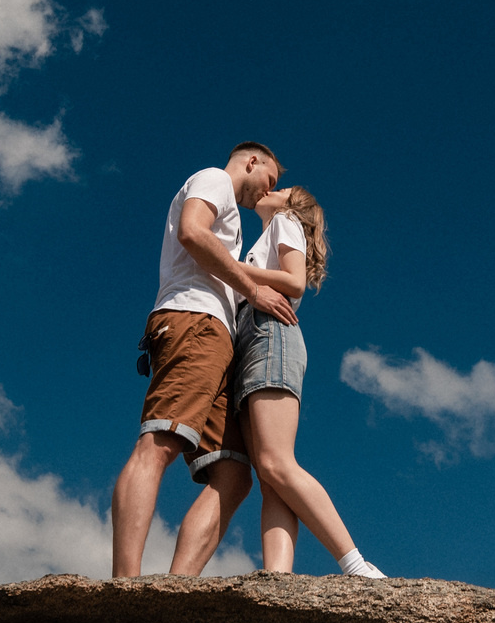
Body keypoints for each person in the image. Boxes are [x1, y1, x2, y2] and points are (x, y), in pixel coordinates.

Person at [176, 183, 385, 578]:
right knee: (269, 477)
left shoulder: (285, 221)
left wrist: (229, 266)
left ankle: (356, 564)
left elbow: (293, 282)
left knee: (276, 462)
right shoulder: (271, 231)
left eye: (284, 187)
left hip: (269, 331)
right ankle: (278, 577)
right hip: (251, 336)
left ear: (294, 203)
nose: (273, 188)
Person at [110, 142, 295, 577]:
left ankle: (177, 586)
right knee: (160, 443)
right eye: (270, 180)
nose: (267, 191)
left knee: (234, 476)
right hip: (194, 320)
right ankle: (125, 583)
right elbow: (192, 232)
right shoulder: (214, 178)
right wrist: (253, 290)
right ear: (253, 162)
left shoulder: (230, 206)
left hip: (217, 337)